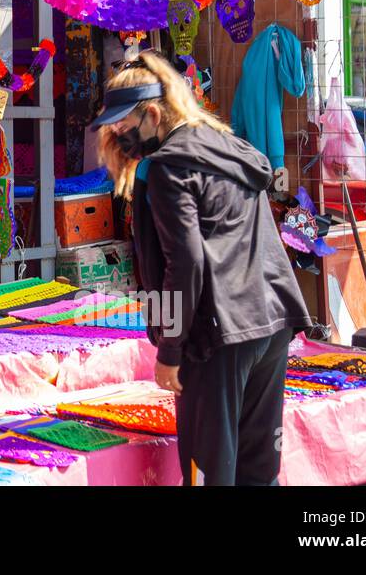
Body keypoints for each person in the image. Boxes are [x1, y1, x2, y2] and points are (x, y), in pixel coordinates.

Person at [94, 51, 312, 486]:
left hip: (218, 338)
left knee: (211, 473)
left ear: (153, 113)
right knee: (257, 471)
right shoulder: (227, 146)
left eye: (123, 124)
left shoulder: (168, 169)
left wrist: (170, 352)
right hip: (269, 324)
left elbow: (185, 263)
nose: (119, 135)